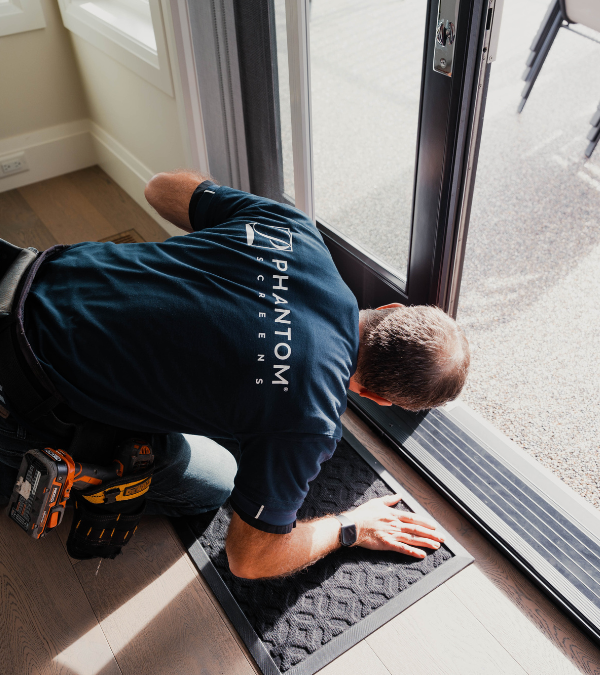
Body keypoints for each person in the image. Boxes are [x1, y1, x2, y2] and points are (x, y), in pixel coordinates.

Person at [0, 170, 470, 579]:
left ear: (389, 308)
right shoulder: (309, 420)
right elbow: (250, 559)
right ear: (378, 398)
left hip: (24, 271)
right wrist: (352, 527)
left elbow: (159, 188)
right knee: (218, 480)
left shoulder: (295, 232)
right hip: (20, 384)